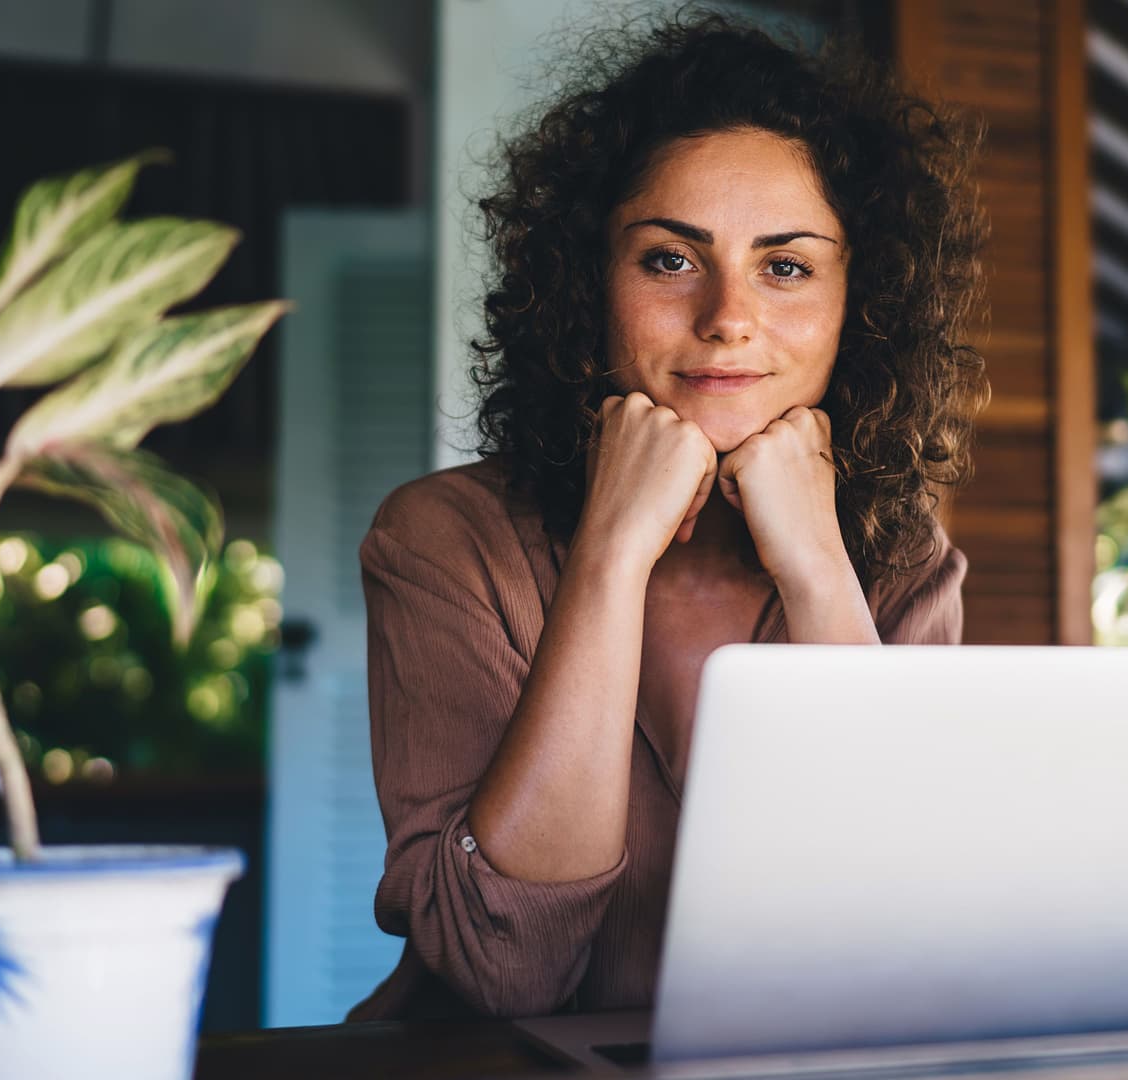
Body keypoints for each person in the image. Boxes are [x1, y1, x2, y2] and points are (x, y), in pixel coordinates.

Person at [350, 13, 988, 1021]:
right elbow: (504, 972)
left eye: (786, 266)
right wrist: (609, 555)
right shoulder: (444, 539)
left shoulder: (904, 564)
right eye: (668, 260)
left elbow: (908, 936)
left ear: (858, 306)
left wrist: (819, 569)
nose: (729, 314)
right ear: (585, 289)